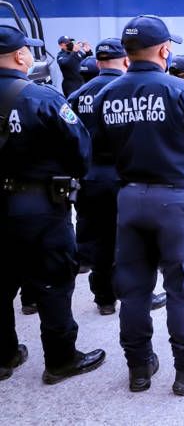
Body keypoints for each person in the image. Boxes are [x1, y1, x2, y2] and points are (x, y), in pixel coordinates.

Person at [93, 15, 184, 395]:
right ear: (166, 50)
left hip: (130, 198)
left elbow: (100, 149)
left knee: (134, 289)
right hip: (177, 197)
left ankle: (139, 368)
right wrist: (183, 176)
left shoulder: (106, 94)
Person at [0, 24, 106, 384]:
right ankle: (61, 359)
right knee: (53, 281)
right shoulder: (41, 98)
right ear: (19, 56)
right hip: (39, 205)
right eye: (28, 50)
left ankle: (5, 356)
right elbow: (80, 149)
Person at [67, 38, 128, 316]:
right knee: (130, 238)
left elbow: (66, 138)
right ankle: (131, 293)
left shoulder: (78, 95)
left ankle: (104, 298)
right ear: (125, 60)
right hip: (124, 177)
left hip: (90, 177)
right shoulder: (130, 91)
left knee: (99, 238)